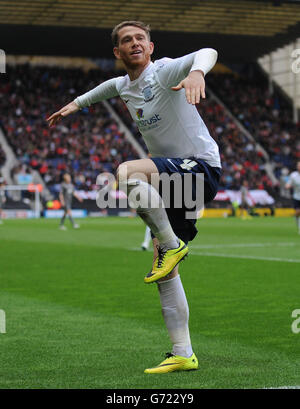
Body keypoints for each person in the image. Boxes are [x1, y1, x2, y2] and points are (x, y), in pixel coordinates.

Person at [47, 20, 221, 373]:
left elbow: (208, 51)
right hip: (173, 181)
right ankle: (182, 352)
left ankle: (172, 246)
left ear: (151, 46)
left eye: (140, 38)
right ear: (118, 52)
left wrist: (198, 73)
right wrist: (75, 105)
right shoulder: (123, 85)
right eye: (126, 40)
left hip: (200, 167)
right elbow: (103, 90)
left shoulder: (164, 70)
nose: (134, 43)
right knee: (162, 271)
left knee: (127, 172)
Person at [285, 161, 300, 234]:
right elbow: (288, 183)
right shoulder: (293, 175)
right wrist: (288, 186)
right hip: (297, 196)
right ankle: (297, 220)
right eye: (299, 165)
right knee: (298, 212)